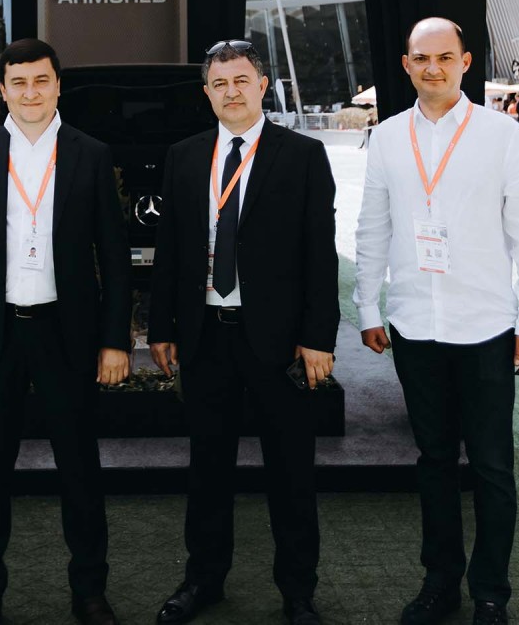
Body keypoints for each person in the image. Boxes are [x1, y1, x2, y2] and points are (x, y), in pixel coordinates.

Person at [352, 18, 519, 625]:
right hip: (415, 325)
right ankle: (440, 582)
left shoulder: (500, 134)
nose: (433, 67)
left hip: (486, 326)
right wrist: (368, 306)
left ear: (466, 62)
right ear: (406, 65)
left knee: (492, 466)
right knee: (434, 461)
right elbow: (372, 228)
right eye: (422, 58)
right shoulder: (388, 137)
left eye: (445, 57)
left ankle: (491, 592)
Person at [0, 38, 131, 625]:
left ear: (58, 85)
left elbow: (114, 257)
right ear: (2, 90)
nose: (30, 93)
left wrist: (115, 340)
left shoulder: (90, 154)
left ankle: (90, 592)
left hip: (66, 334)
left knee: (80, 470)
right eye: (18, 82)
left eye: (41, 80)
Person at [148, 39, 338, 625]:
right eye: (219, 83)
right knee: (208, 470)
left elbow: (320, 254)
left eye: (240, 80)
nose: (230, 92)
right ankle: (202, 581)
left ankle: (298, 591)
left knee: (291, 472)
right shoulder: (183, 156)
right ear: (206, 92)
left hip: (280, 343)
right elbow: (169, 249)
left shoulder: (303, 155)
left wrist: (319, 337)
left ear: (262, 85)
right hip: (206, 336)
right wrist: (161, 326)